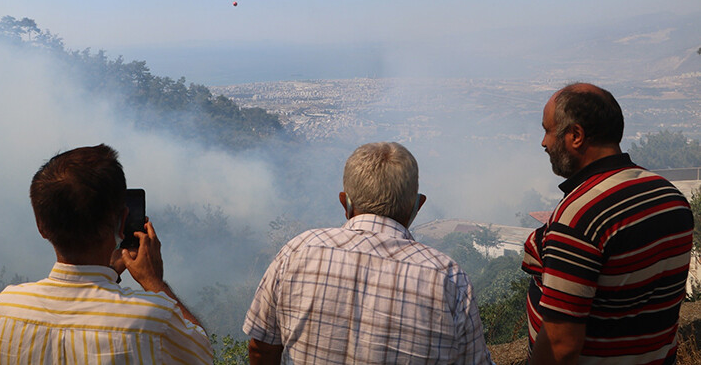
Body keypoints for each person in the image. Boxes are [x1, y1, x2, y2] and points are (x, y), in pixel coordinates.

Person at [243, 142, 493, 364]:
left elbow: (260, 349)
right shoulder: (449, 278)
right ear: (417, 205)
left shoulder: (297, 251)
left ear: (345, 203)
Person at [0, 144, 212, 364]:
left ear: (41, 226)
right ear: (122, 222)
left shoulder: (6, 310)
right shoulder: (153, 322)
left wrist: (110, 272)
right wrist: (153, 281)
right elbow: (201, 353)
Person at [523, 83, 693, 364]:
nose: (544, 143)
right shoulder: (669, 196)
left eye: (548, 131)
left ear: (576, 135)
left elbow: (561, 344)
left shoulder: (580, 216)